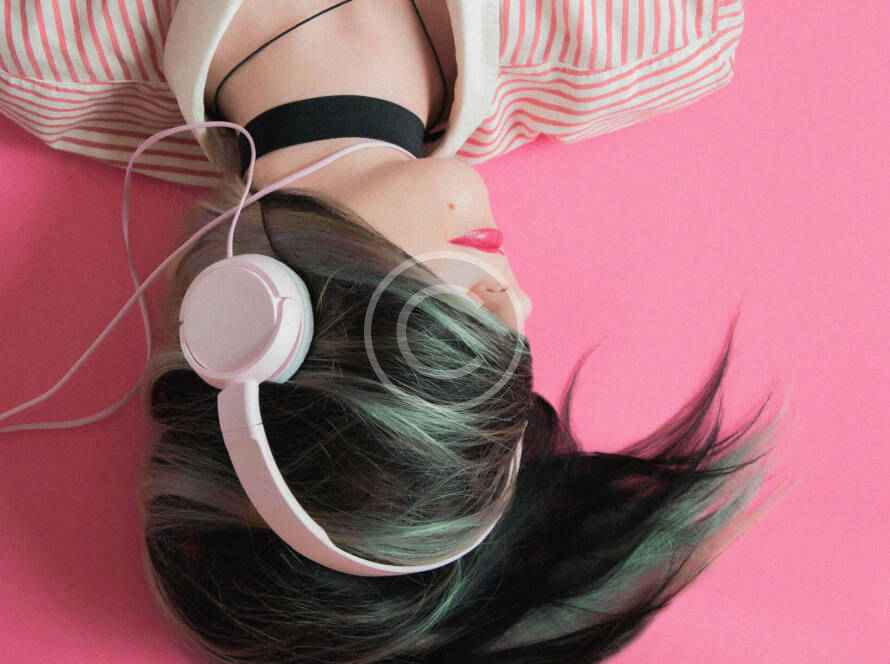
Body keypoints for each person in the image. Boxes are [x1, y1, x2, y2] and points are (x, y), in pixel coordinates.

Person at [2, 2, 785, 663]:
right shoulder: (651, 33)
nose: (516, 303)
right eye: (509, 379)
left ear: (249, 322)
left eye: (450, 356)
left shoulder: (41, 48)